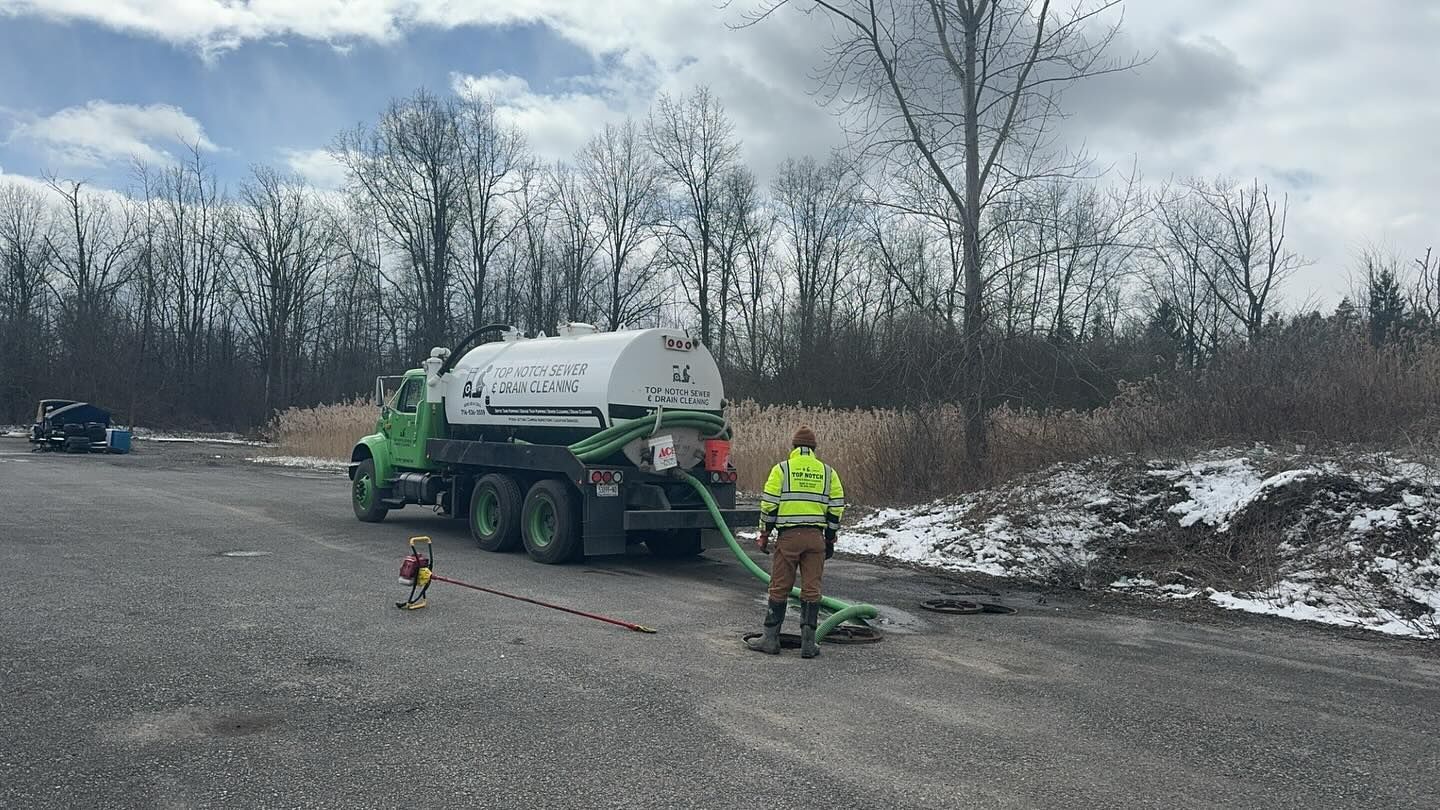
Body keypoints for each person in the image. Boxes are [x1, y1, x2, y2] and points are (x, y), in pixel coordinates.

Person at [749, 425, 845, 659]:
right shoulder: (828, 472)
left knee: (780, 586)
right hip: (815, 539)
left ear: (793, 447)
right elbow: (836, 507)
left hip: (789, 538)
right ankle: (808, 645)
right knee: (812, 589)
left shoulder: (782, 469)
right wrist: (830, 537)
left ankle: (770, 640)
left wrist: (764, 534)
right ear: (814, 448)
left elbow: (769, 505)